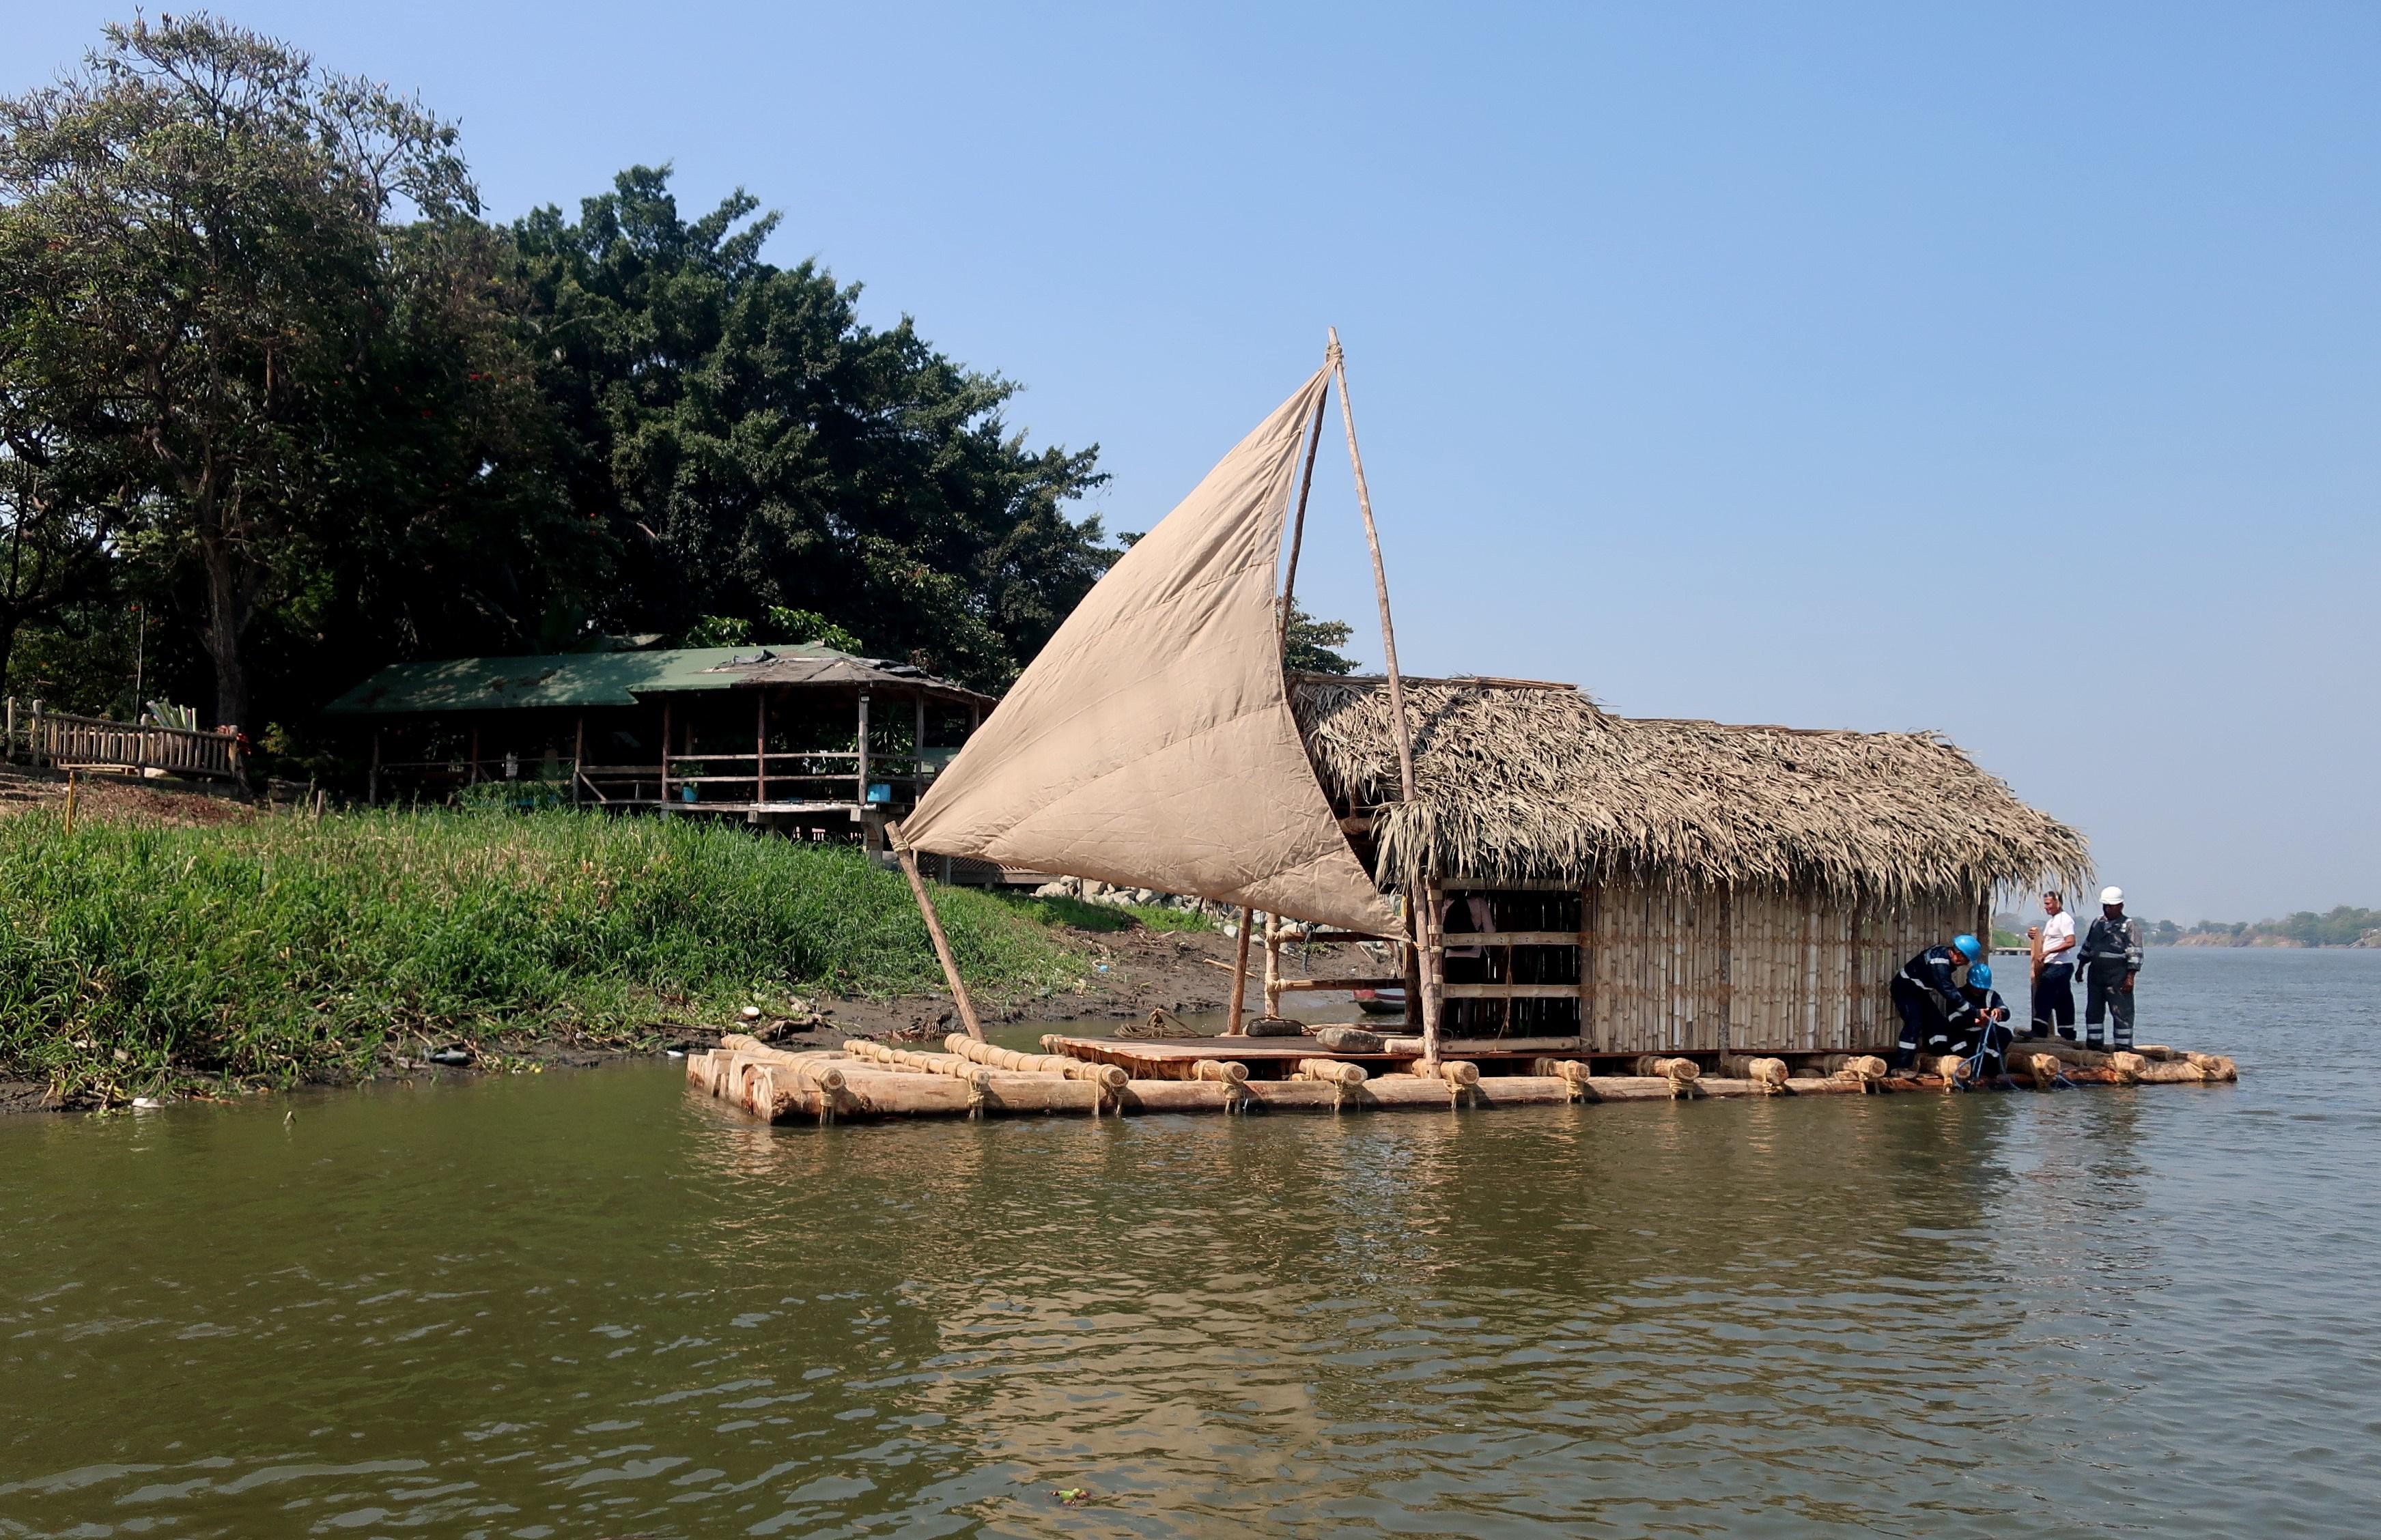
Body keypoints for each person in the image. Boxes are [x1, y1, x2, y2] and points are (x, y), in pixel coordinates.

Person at [1890, 933, 1982, 1069]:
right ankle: (1900, 1067)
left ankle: (1938, 1057)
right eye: (1967, 960)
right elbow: (1949, 992)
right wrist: (1976, 1013)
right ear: (1959, 955)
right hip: (1905, 989)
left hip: (1918, 991)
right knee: (1914, 1023)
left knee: (1937, 1022)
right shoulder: (1939, 963)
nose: (1966, 964)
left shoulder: (1943, 955)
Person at [2076, 885, 2145, 1051]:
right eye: (2105, 906)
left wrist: (2130, 978)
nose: (2107, 909)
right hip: (2096, 975)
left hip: (2118, 976)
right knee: (2094, 1011)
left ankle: (2123, 1048)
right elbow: (2087, 946)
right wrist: (2080, 968)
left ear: (2120, 906)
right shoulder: (2097, 923)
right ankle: (2094, 1045)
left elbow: (2135, 953)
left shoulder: (2129, 926)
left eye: (2111, 906)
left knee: (2121, 1011)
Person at [2025, 890, 2078, 1040]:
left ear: (2058, 903)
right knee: (2063, 998)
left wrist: (2048, 952)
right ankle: (2067, 1032)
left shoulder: (2065, 920)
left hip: (2060, 965)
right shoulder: (2051, 922)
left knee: (2044, 994)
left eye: (2049, 904)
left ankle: (2039, 1029)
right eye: (2045, 904)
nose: (2046, 907)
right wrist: (2035, 938)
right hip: (2054, 965)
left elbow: (2070, 941)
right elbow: (2048, 941)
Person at [1952, 961, 2016, 1078]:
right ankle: (1969, 1065)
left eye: (1982, 988)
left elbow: (2006, 1012)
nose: (1980, 990)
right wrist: (1974, 1021)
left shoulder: (1991, 995)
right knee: (1957, 1046)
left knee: (2005, 1034)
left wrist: (1999, 1012)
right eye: (1977, 987)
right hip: (1963, 1033)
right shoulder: (1958, 995)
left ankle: (1990, 1062)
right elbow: (1954, 1020)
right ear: (1969, 982)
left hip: (1984, 1033)